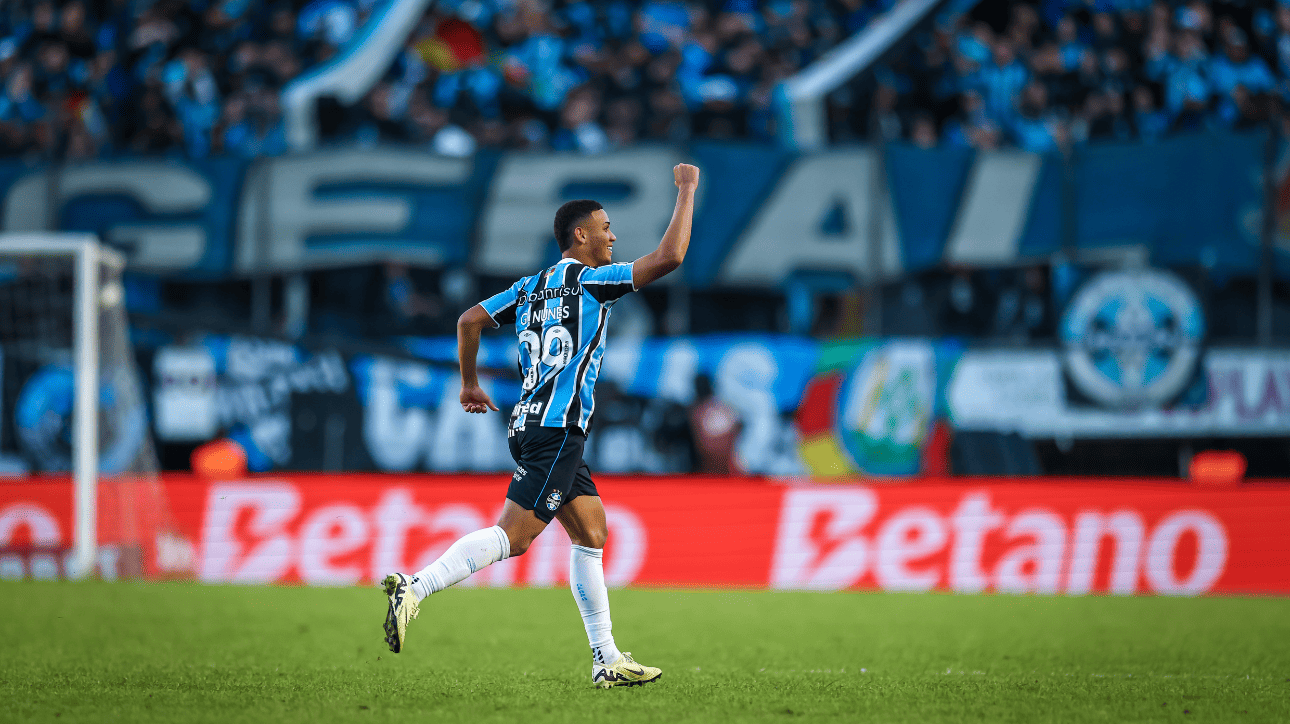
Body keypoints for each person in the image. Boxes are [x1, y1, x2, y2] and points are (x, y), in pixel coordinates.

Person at [380, 163, 700, 689]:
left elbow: (468, 320)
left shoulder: (528, 288)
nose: (613, 237)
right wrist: (686, 189)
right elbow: (670, 257)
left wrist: (468, 384)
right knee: (515, 537)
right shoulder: (593, 283)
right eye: (605, 228)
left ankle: (607, 659)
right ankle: (415, 587)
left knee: (591, 532)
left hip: (530, 422)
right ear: (581, 236)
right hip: (557, 429)